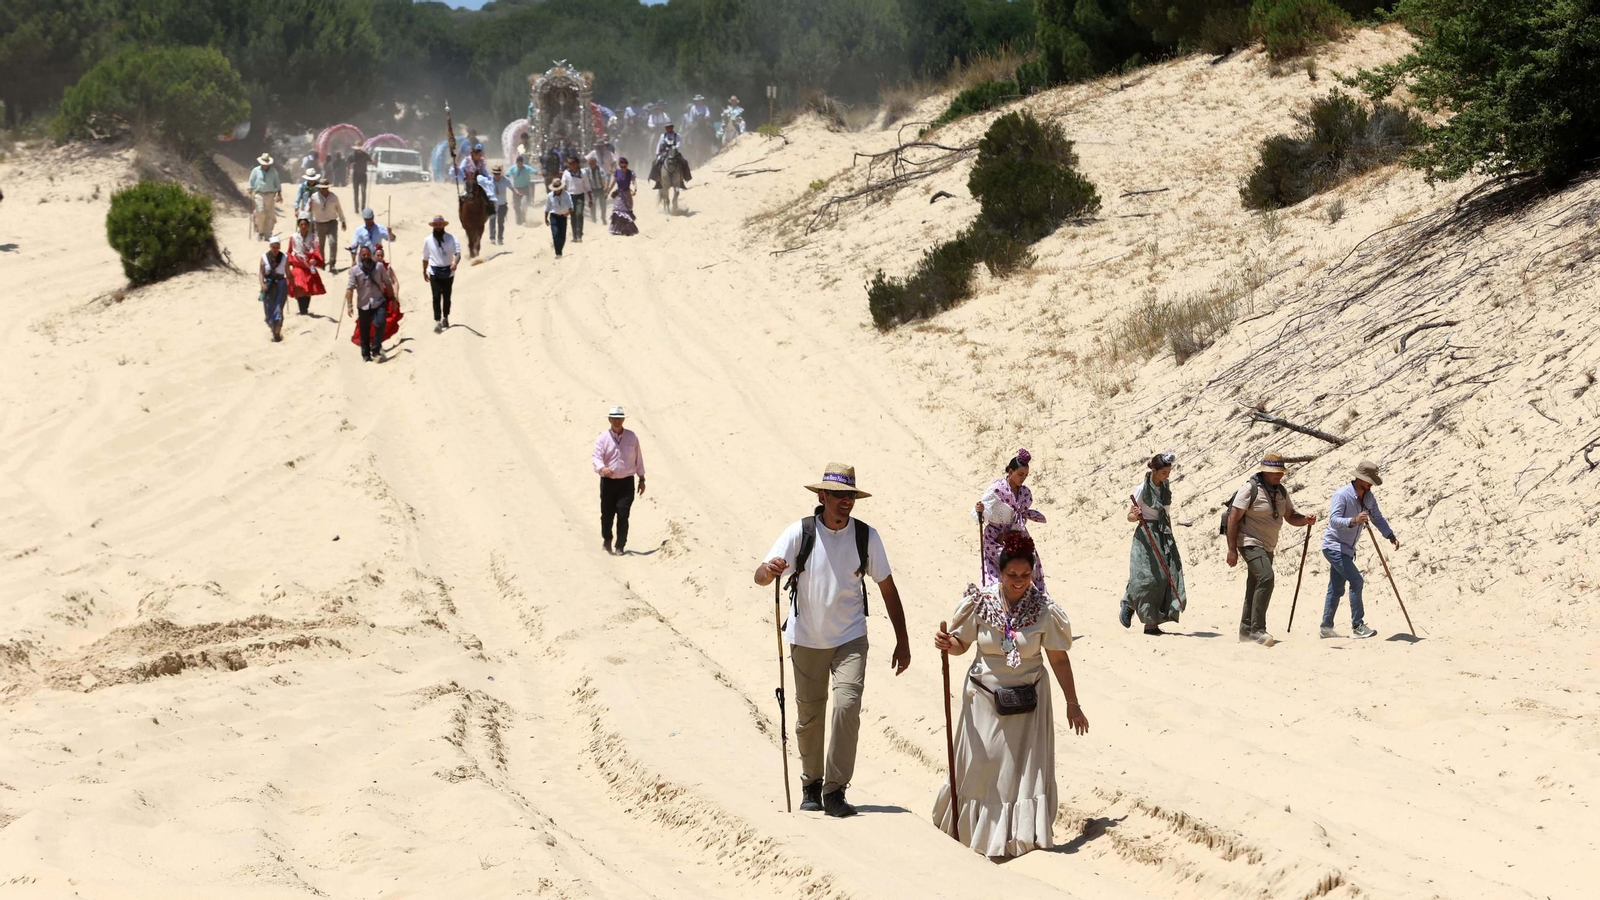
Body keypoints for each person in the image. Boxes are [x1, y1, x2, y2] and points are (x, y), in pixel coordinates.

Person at [754, 463, 911, 819]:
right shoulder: (800, 533)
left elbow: (887, 587)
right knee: (809, 715)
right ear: (822, 496)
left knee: (846, 707)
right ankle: (811, 783)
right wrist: (771, 570)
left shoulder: (865, 537)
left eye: (850, 496)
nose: (845, 502)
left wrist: (903, 640)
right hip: (806, 638)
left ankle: (836, 790)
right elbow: (760, 575)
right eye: (839, 495)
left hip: (850, 638)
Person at [932, 532, 1087, 856]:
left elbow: (1058, 657)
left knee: (1021, 769)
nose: (1019, 581)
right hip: (985, 695)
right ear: (999, 573)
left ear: (1033, 573)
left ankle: (1015, 837)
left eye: (1025, 575)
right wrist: (950, 644)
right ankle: (973, 831)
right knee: (984, 760)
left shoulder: (1044, 609)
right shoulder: (981, 602)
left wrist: (1073, 703)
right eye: (1012, 575)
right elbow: (962, 644)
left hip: (1029, 700)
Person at [1226, 452, 1318, 646]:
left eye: (1281, 472)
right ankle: (1257, 630)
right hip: (1249, 542)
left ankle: (1245, 630)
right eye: (1275, 472)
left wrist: (1305, 520)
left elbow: (1291, 516)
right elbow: (1233, 518)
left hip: (1268, 544)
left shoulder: (1281, 492)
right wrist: (1232, 549)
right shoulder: (1250, 489)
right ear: (1265, 472)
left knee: (1255, 584)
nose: (1279, 475)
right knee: (1266, 578)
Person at [1320, 460, 1398, 639]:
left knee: (1336, 587)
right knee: (1357, 581)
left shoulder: (1369, 497)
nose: (1371, 484)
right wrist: (1353, 520)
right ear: (1359, 478)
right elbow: (1334, 520)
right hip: (1334, 546)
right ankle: (1357, 625)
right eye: (1368, 480)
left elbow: (1377, 517)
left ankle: (1325, 628)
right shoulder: (1342, 495)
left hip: (1347, 549)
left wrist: (1390, 535)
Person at [1121, 452, 1186, 635]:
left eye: (1168, 472)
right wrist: (1136, 515)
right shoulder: (1142, 488)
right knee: (1147, 578)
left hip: (1162, 533)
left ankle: (1151, 625)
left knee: (1163, 578)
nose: (1167, 476)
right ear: (1154, 471)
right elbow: (1130, 517)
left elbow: (1166, 513)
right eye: (1164, 472)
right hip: (1145, 534)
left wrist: (1170, 536)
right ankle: (1129, 602)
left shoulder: (1165, 488)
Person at [974, 449, 1047, 590]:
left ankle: (1038, 592)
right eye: (1020, 474)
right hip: (995, 537)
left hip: (1016, 533)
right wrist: (981, 510)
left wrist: (1013, 533)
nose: (1023, 478)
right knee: (1007, 560)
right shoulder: (997, 489)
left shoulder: (1025, 493)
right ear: (1011, 471)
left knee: (1031, 558)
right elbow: (982, 509)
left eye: (1025, 475)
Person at [591, 406, 645, 554]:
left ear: (623, 420)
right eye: (614, 418)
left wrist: (641, 478)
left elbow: (638, 458)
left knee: (623, 514)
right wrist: (602, 468)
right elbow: (596, 457)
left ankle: (620, 545)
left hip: (626, 482)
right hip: (608, 482)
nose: (617, 421)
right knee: (607, 515)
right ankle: (607, 539)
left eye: (620, 418)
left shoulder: (632, 437)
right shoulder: (603, 438)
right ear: (609, 419)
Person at [344, 244, 394, 363]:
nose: (365, 257)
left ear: (371, 255)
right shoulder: (355, 270)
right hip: (363, 303)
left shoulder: (379, 267)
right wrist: (349, 305)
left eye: (367, 254)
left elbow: (387, 283)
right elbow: (350, 288)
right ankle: (365, 354)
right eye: (363, 255)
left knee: (381, 324)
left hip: (378, 301)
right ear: (360, 256)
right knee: (364, 329)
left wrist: (392, 298)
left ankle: (376, 349)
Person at [350, 245, 403, 351]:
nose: (380, 257)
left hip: (384, 298)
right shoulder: (366, 267)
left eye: (382, 255)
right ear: (373, 256)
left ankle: (377, 344)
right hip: (368, 299)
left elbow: (394, 281)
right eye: (378, 255)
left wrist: (395, 295)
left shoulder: (386, 267)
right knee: (367, 323)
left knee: (383, 322)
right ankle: (368, 344)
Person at [422, 214, 461, 333]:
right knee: (436, 296)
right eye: (436, 225)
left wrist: (455, 263)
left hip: (448, 271)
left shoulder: (452, 238)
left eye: (440, 225)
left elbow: (458, 253)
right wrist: (424, 271)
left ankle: (446, 317)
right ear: (433, 226)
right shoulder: (428, 240)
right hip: (434, 271)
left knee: (447, 296)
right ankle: (437, 320)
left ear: (444, 225)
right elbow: (425, 257)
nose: (438, 227)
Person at [286, 214, 326, 317]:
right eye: (301, 224)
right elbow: (289, 251)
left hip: (309, 265)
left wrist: (315, 260)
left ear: (308, 226)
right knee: (299, 286)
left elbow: (317, 250)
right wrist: (289, 262)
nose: (303, 226)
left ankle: (305, 309)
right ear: (298, 225)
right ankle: (301, 309)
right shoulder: (293, 237)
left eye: (305, 224)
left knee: (309, 287)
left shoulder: (314, 238)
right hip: (298, 264)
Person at [308, 181, 346, 273]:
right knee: (320, 245)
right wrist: (309, 209)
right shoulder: (314, 197)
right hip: (319, 223)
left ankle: (332, 262)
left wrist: (343, 221)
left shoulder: (333, 197)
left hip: (332, 222)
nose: (324, 190)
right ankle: (322, 262)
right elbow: (308, 210)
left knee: (333, 242)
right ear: (320, 188)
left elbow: (339, 209)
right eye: (322, 188)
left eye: (326, 188)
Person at [258, 235, 289, 342]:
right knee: (268, 309)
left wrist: (293, 285)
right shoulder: (264, 257)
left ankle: (277, 333)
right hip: (269, 285)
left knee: (278, 308)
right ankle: (273, 328)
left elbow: (288, 273)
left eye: (277, 247)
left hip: (281, 285)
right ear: (270, 247)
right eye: (273, 247)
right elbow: (261, 273)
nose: (275, 249)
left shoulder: (284, 257)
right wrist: (262, 284)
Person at [248, 154, 282, 240]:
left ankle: (267, 235)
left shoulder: (274, 171)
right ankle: (260, 232)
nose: (265, 165)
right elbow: (251, 181)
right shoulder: (256, 170)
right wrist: (250, 188)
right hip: (259, 193)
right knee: (260, 212)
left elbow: (277, 183)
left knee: (269, 215)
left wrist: (279, 193)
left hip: (270, 194)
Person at [561, 157, 589, 242]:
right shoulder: (566, 173)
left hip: (580, 196)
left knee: (579, 214)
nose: (570, 165)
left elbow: (587, 186)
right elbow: (563, 184)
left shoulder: (583, 173)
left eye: (572, 163)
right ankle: (574, 236)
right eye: (569, 163)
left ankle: (579, 234)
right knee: (573, 216)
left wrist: (590, 198)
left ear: (577, 164)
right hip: (570, 197)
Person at [609, 157, 638, 236]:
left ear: (627, 165)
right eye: (621, 167)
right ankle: (616, 229)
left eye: (624, 167)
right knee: (618, 210)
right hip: (619, 194)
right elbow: (613, 182)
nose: (623, 168)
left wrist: (635, 189)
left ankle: (626, 229)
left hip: (627, 194)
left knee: (626, 211)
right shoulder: (617, 172)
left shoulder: (630, 173)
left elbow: (634, 182)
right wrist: (608, 191)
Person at [544, 179, 573, 258]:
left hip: (563, 217)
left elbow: (571, 206)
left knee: (562, 235)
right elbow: (547, 207)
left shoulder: (566, 194)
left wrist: (568, 212)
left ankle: (560, 249)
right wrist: (545, 218)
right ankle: (558, 253)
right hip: (554, 216)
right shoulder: (550, 195)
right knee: (555, 234)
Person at [507, 154, 537, 226]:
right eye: (518, 162)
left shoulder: (526, 168)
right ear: (516, 162)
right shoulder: (513, 168)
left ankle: (523, 217)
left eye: (521, 162)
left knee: (524, 203)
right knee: (516, 206)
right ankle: (518, 220)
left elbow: (534, 171)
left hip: (525, 189)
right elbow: (507, 174)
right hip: (516, 190)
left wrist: (540, 173)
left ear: (522, 162)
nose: (520, 164)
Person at [583, 153, 611, 223]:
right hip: (593, 190)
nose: (590, 165)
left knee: (603, 204)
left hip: (601, 189)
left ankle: (603, 217)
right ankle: (593, 219)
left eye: (592, 163)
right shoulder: (587, 170)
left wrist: (606, 186)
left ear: (595, 163)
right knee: (592, 204)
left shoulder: (600, 170)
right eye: (589, 164)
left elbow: (606, 178)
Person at [488, 165, 511, 245]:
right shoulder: (489, 180)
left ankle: (500, 238)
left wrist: (517, 193)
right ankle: (492, 238)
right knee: (492, 221)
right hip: (492, 204)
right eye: (495, 174)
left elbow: (512, 187)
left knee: (500, 222)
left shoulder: (505, 180)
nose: (496, 175)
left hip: (502, 204)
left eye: (498, 174)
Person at [349, 147, 371, 212]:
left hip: (363, 175)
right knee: (356, 193)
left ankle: (363, 207)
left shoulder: (365, 155)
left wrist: (373, 162)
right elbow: (348, 164)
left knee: (363, 192)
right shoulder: (352, 156)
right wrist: (347, 175)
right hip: (355, 175)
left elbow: (370, 160)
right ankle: (356, 208)